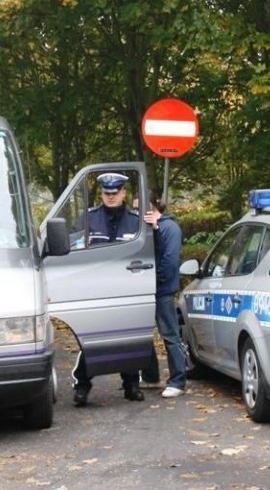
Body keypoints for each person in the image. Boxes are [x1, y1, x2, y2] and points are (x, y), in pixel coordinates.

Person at [72, 172, 145, 406]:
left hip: (127, 288)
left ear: (124, 193)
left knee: (129, 337)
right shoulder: (89, 219)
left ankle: (132, 385)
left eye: (115, 193)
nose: (111, 197)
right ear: (101, 194)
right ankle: (82, 386)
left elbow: (149, 251)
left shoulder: (136, 221)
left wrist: (158, 224)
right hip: (96, 289)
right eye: (106, 193)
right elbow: (73, 249)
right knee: (93, 339)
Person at [143, 191, 186, 398]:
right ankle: (151, 376)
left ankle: (178, 380)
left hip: (163, 290)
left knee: (169, 334)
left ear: (153, 206)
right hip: (145, 289)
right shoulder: (143, 229)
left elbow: (169, 261)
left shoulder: (169, 228)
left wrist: (156, 281)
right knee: (143, 333)